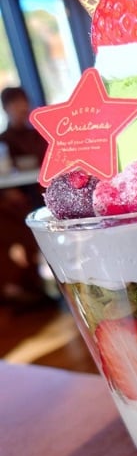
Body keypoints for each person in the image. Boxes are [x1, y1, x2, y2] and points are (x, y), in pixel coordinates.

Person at [0, 86, 51, 309]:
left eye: (23, 101)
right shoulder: (4, 140)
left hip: (40, 195)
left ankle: (33, 287)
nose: (22, 107)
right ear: (6, 108)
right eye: (15, 103)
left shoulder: (38, 135)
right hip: (21, 202)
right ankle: (25, 288)